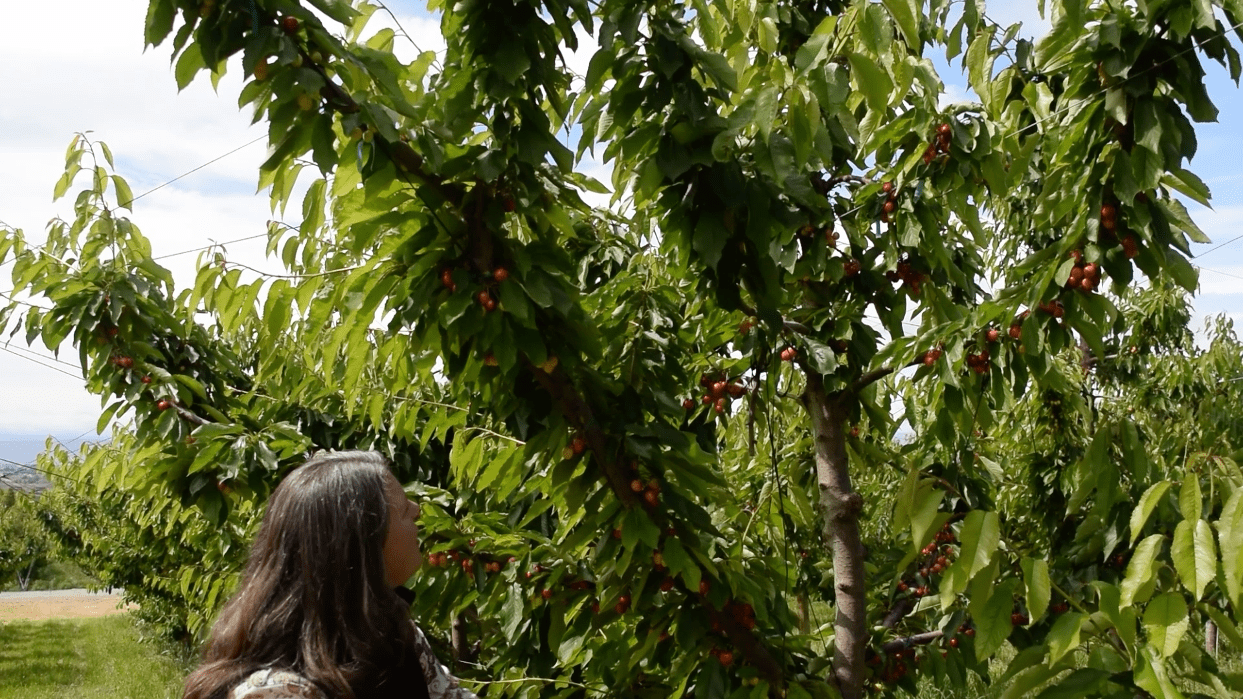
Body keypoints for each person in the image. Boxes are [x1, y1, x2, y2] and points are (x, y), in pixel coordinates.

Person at [182, 450, 477, 699]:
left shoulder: (395, 632)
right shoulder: (281, 692)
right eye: (401, 509)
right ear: (361, 543)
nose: (416, 511)